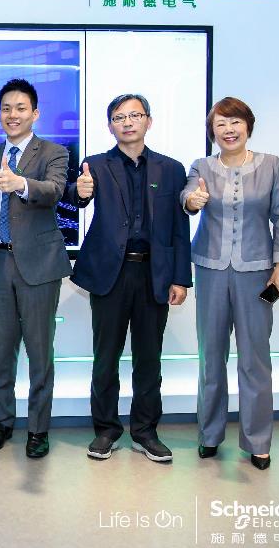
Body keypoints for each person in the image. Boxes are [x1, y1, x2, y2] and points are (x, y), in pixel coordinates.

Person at [66, 93, 192, 463]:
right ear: (110, 126)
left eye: (135, 115)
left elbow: (179, 228)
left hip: (155, 272)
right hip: (111, 273)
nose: (127, 122)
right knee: (105, 357)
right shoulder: (96, 165)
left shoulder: (171, 169)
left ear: (148, 121)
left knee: (149, 359)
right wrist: (79, 191)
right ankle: (106, 430)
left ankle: (145, 432)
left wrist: (180, 278)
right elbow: (77, 195)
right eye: (119, 117)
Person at [182, 97, 279, 471]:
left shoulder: (271, 165)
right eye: (220, 124)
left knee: (254, 360)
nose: (228, 130)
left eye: (235, 122)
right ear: (212, 132)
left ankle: (258, 441)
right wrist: (193, 200)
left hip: (258, 272)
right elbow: (187, 196)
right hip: (211, 270)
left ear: (248, 125)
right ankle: (209, 435)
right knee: (210, 357)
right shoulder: (202, 166)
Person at [0, 79, 71, 459]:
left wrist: (20, 184)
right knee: (0, 350)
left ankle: (38, 428)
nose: (12, 115)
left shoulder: (54, 152)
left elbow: (55, 190)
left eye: (20, 108)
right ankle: (2, 421)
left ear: (35, 113)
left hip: (39, 266)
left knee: (39, 351)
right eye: (6, 108)